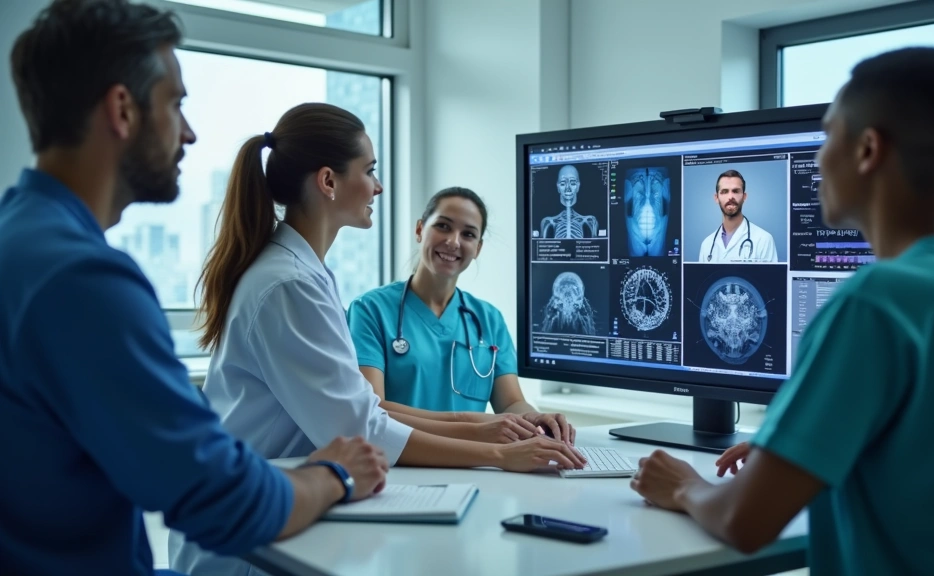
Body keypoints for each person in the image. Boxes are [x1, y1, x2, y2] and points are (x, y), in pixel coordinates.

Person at [0, 2, 390, 575]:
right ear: (122, 109)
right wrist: (333, 474)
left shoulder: (20, 238)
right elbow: (222, 497)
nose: (189, 131)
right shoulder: (81, 280)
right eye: (176, 104)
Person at [630, 46, 934, 574]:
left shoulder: (875, 301)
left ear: (867, 150)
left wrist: (683, 485)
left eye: (827, 135)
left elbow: (746, 522)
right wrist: (796, 449)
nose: (817, 159)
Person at [169, 103, 585, 575]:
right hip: (251, 540)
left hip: (286, 510)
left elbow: (361, 410)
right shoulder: (293, 285)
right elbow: (362, 427)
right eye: (368, 171)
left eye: (469, 233)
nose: (378, 186)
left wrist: (489, 430)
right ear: (328, 182)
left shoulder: (304, 273)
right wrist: (495, 452)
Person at [347, 187, 577, 444]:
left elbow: (511, 403)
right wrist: (473, 424)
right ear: (420, 230)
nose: (454, 241)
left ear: (477, 248)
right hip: (399, 464)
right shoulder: (370, 310)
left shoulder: (489, 319)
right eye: (443, 226)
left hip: (472, 465)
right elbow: (373, 409)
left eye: (468, 234)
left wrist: (539, 420)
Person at [697, 169, 778, 262]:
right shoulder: (707, 244)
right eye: (724, 191)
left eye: (735, 191)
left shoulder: (764, 240)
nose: (730, 197)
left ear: (744, 197)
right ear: (716, 198)